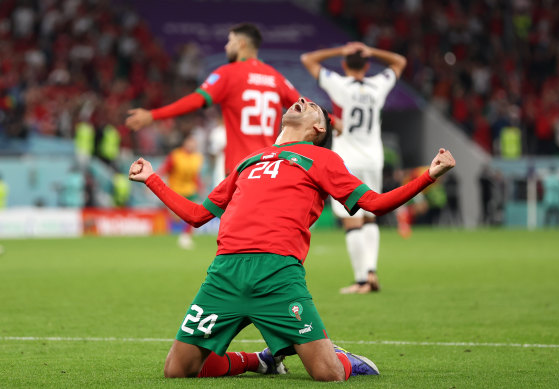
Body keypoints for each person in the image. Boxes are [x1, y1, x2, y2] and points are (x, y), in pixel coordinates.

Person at [128, 97, 456, 381]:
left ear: (319, 129)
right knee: (177, 369)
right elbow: (198, 215)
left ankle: (344, 358)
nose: (300, 101)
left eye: (311, 106)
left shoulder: (324, 159)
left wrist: (428, 176)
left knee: (329, 374)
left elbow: (373, 203)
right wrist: (153, 179)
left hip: (278, 273)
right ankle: (259, 360)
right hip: (224, 273)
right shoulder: (249, 160)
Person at [126, 23, 306, 175]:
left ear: (241, 44)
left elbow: (196, 100)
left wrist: (153, 115)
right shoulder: (276, 78)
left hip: (241, 168)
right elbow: (307, 109)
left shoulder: (228, 73)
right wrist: (333, 122)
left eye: (230, 41)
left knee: (233, 217)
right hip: (268, 167)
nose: (227, 46)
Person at [300, 41, 407, 294]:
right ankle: (371, 273)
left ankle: (361, 281)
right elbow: (399, 61)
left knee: (351, 220)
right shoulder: (378, 85)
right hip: (373, 158)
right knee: (370, 217)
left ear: (345, 64)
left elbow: (308, 59)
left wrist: (339, 50)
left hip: (347, 159)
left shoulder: (339, 84)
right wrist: (372, 51)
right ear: (368, 64)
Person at [157, 134, 204, 249]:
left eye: (194, 143)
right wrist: (154, 180)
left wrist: (200, 186)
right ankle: (168, 233)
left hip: (190, 190)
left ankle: (185, 237)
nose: (192, 145)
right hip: (176, 190)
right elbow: (165, 169)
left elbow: (194, 175)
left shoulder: (197, 158)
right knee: (176, 217)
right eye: (190, 142)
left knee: (195, 214)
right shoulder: (176, 155)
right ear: (185, 143)